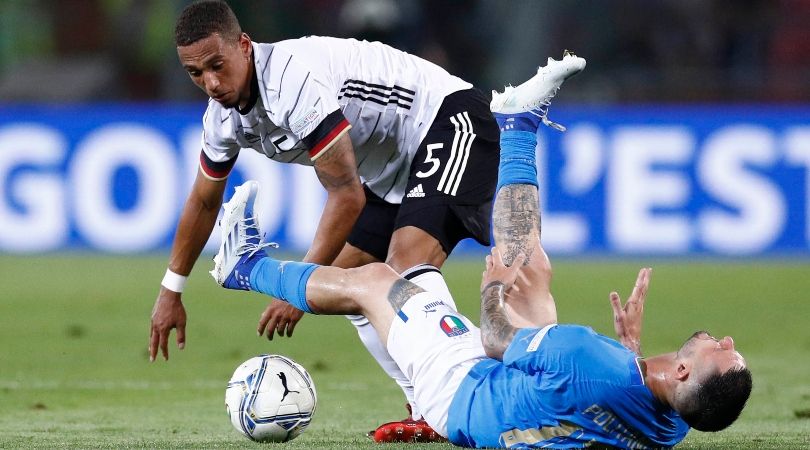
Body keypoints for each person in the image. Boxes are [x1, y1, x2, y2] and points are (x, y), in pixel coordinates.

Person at [207, 70, 753, 447]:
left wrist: (491, 289)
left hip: (466, 387)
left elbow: (496, 343)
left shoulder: (591, 361)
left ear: (683, 369)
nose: (727, 342)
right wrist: (632, 352)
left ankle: (243, 266)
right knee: (530, 270)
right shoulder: (677, 424)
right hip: (528, 404)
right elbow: (610, 409)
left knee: (375, 281)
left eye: (722, 355)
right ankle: (519, 125)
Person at [148, 0, 582, 437]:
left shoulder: (291, 81)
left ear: (244, 45)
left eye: (218, 65)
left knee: (403, 265)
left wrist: (295, 285)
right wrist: (172, 289)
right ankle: (424, 407)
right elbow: (204, 202)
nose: (212, 83)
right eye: (195, 73)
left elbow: (345, 196)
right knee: (351, 286)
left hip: (447, 118)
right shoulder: (221, 118)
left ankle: (467, 389)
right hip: (387, 167)